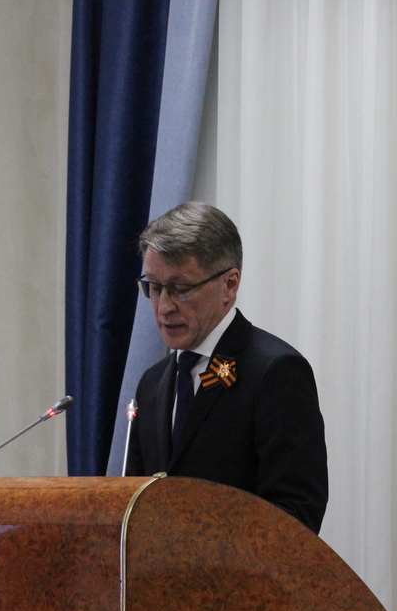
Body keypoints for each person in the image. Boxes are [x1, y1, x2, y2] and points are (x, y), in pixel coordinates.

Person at [125, 201, 328, 534]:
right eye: (155, 288)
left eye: (181, 289)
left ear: (230, 285)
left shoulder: (275, 372)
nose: (164, 307)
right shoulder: (152, 383)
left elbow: (297, 514)